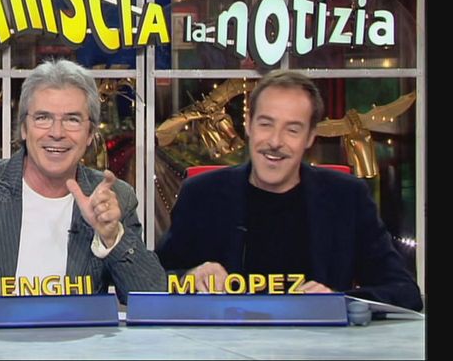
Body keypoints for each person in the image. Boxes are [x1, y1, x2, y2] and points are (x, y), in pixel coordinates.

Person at [155, 70, 423, 311]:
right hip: (223, 343)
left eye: (292, 130)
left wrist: (337, 301)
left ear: (310, 137)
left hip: (318, 344)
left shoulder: (346, 197)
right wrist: (189, 276)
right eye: (266, 124)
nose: (275, 141)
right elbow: (153, 280)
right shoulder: (202, 195)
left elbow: (404, 292)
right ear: (248, 124)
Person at [0, 59, 166, 303]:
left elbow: (152, 296)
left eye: (72, 119)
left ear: (90, 134)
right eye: (43, 118)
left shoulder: (114, 198)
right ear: (24, 128)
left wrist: (112, 237)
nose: (56, 133)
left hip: (78, 336)